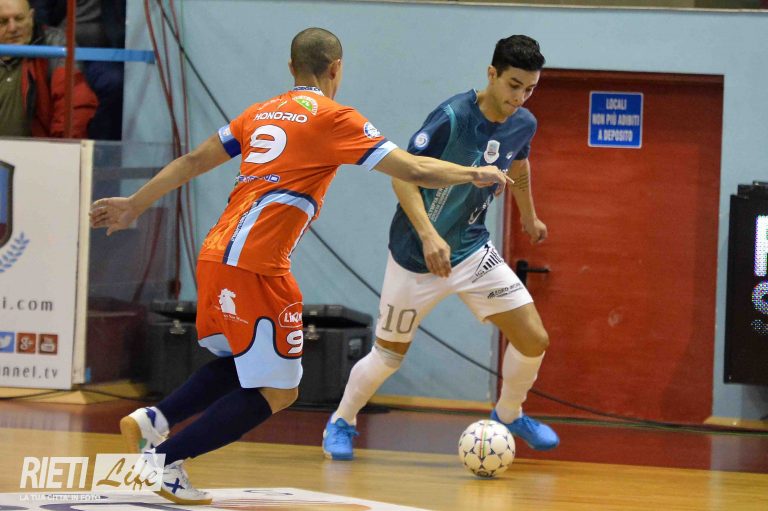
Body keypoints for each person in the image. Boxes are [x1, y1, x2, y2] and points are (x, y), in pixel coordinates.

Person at [89, 27, 508, 506]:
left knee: (241, 363)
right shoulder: (334, 117)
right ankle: (164, 463)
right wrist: (473, 173)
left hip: (216, 254)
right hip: (258, 265)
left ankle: (154, 421)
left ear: (292, 68)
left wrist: (135, 205)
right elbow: (413, 168)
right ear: (336, 69)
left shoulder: (260, 111)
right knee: (279, 390)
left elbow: (193, 160)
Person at [322, 35, 559, 461]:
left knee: (533, 338)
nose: (520, 97)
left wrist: (529, 215)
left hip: (471, 248)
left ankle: (509, 413)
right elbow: (402, 175)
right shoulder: (452, 117)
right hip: (416, 256)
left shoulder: (524, 122)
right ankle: (341, 420)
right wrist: (430, 236)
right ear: (492, 74)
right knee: (388, 357)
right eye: (513, 85)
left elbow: (520, 163)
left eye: (530, 89)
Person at [0, 0, 97, 137]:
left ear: (31, 17)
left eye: (19, 19)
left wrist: (61, 147)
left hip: (38, 148)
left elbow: (74, 104)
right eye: (3, 22)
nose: (12, 28)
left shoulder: (55, 46)